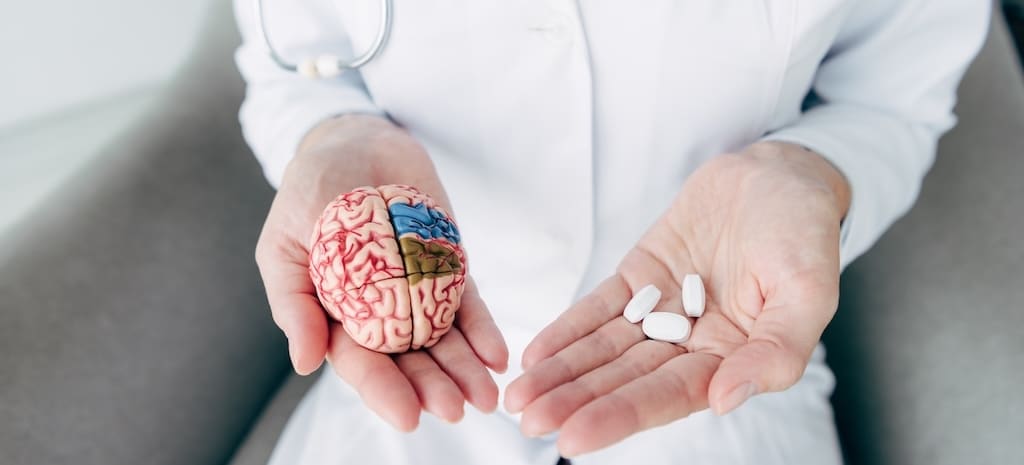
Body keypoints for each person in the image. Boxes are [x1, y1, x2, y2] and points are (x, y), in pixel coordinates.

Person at [234, 1, 990, 464]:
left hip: (718, 359)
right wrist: (328, 135)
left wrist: (812, 175)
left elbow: (895, 98)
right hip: (417, 376)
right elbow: (294, 69)